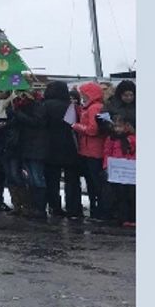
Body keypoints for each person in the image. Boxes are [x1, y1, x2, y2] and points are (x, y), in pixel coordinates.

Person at [4, 89, 49, 219]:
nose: (19, 96)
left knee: (36, 178)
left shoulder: (38, 106)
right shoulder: (18, 105)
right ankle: (31, 206)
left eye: (22, 94)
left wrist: (18, 114)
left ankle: (39, 208)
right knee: (30, 178)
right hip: (24, 146)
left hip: (35, 146)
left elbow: (37, 122)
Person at [70, 82, 108, 220]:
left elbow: (93, 130)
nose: (82, 96)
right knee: (92, 182)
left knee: (95, 182)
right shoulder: (90, 107)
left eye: (84, 94)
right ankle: (95, 208)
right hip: (88, 150)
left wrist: (77, 126)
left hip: (93, 151)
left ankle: (99, 209)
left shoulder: (94, 108)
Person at [41, 81, 79, 218]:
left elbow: (42, 123)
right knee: (71, 180)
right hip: (68, 145)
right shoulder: (70, 106)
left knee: (52, 180)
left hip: (49, 145)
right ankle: (72, 207)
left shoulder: (45, 105)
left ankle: (54, 206)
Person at [103, 119, 136, 227]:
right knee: (120, 195)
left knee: (132, 195)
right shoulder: (111, 139)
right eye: (115, 126)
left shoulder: (132, 138)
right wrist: (106, 166)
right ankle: (123, 218)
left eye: (120, 126)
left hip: (130, 172)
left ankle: (133, 217)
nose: (117, 129)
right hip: (117, 172)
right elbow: (107, 152)